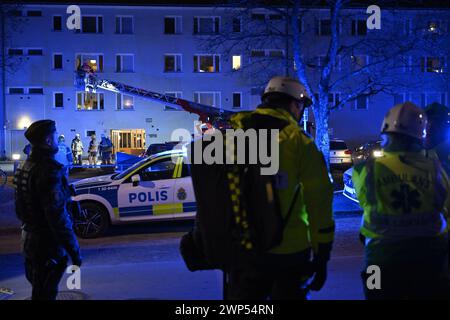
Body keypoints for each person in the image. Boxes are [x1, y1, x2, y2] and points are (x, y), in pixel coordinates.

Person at [225, 76, 335, 299]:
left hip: (241, 249)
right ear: (295, 104)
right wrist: (322, 256)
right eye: (301, 107)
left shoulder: (232, 137)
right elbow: (319, 204)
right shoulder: (299, 142)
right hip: (289, 253)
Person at [352, 102, 449, 300]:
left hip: (378, 261)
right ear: (420, 135)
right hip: (429, 260)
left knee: (375, 295)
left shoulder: (365, 169)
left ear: (385, 133)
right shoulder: (436, 170)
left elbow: (366, 202)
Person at [13, 120, 82, 300]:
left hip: (28, 240)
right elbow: (57, 217)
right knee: (45, 293)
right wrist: (74, 250)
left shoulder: (23, 167)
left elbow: (19, 208)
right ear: (48, 140)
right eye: (54, 135)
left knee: (39, 288)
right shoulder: (49, 170)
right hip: (47, 245)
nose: (57, 141)